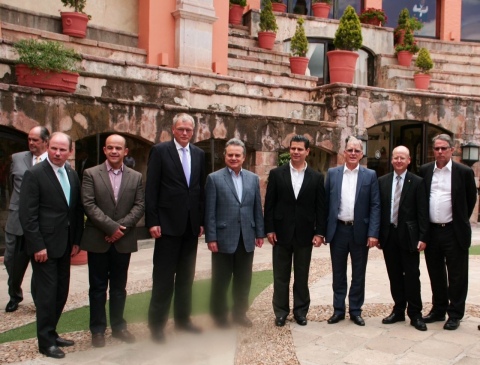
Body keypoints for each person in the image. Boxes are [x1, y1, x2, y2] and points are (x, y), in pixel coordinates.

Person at [19, 132, 84, 359]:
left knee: (60, 292)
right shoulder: (34, 174)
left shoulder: (71, 174)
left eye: (62, 150)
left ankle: (52, 332)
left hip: (65, 245)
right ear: (48, 147)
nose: (57, 153)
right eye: (54, 148)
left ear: (70, 152)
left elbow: (75, 211)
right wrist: (37, 245)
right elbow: (27, 215)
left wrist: (76, 240)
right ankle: (45, 342)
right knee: (46, 295)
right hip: (44, 248)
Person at [145, 113, 205, 342]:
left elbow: (199, 190)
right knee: (163, 278)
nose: (185, 133)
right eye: (181, 129)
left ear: (193, 131)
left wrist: (200, 221)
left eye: (189, 130)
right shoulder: (160, 151)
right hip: (166, 226)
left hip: (190, 227)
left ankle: (183, 320)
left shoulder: (199, 154)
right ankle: (157, 325)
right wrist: (152, 221)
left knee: (186, 278)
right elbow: (151, 189)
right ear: (173, 129)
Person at [80, 134, 145, 348]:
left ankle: (119, 327)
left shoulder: (136, 177)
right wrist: (111, 228)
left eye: (118, 148)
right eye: (110, 148)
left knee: (119, 287)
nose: (114, 151)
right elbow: (88, 205)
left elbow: (139, 206)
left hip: (122, 242)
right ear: (104, 151)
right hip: (98, 240)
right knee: (97, 288)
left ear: (126, 151)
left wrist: (120, 230)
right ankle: (97, 330)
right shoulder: (90, 174)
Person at [264, 135, 326, 327]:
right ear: (289, 150)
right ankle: (281, 312)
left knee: (302, 276)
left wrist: (319, 233)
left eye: (300, 149)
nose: (296, 152)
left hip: (305, 234)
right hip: (281, 233)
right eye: (293, 149)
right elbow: (270, 204)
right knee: (280, 276)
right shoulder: (276, 174)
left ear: (307, 151)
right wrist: (270, 229)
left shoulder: (316, 177)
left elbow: (320, 208)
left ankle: (300, 311)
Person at [205, 138, 264, 328]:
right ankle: (219, 315)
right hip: (223, 238)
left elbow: (257, 208)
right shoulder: (214, 178)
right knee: (221, 280)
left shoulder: (253, 178)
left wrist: (259, 233)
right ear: (225, 156)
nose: (233, 158)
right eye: (230, 154)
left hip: (246, 237)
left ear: (244, 157)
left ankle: (240, 313)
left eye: (237, 155)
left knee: (243, 279)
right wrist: (211, 237)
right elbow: (210, 211)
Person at [419, 134, 477, 330]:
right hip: (432, 232)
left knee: (457, 275)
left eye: (444, 148)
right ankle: (438, 309)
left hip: (454, 231)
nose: (440, 152)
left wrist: (459, 221)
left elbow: (470, 201)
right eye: (437, 148)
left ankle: (455, 313)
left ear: (452, 150)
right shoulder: (425, 170)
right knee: (435, 273)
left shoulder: (463, 172)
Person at [325, 136, 380, 326]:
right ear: (344, 153)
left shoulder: (370, 175)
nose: (353, 153)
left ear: (362, 154)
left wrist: (373, 233)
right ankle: (338, 310)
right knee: (338, 273)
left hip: (360, 232)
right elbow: (325, 204)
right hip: (338, 230)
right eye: (350, 150)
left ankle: (355, 310)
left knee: (358, 273)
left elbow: (375, 205)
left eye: (357, 150)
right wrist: (323, 231)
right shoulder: (332, 174)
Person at [378, 146, 429, 331]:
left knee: (412, 275)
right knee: (394, 275)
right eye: (396, 157)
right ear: (391, 160)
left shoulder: (417, 182)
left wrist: (423, 237)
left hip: (409, 236)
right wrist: (377, 235)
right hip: (389, 235)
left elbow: (423, 212)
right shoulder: (382, 181)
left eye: (402, 158)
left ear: (409, 160)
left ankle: (415, 313)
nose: (398, 161)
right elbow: (379, 210)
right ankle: (398, 310)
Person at [4, 126, 50, 313]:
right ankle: (14, 294)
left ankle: (39, 299)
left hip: (41, 223)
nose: (31, 143)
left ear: (46, 142)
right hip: (17, 222)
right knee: (11, 261)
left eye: (35, 140)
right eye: (29, 139)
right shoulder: (16, 159)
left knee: (40, 264)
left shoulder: (54, 161)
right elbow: (10, 184)